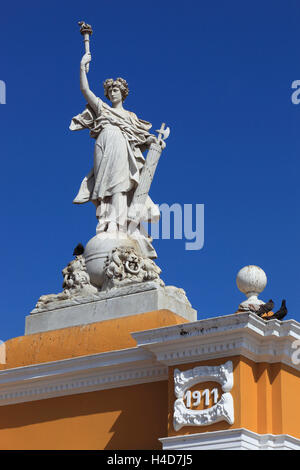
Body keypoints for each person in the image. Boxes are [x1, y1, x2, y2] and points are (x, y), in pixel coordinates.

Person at [70, 52, 161, 246]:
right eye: (110, 90)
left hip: (121, 147)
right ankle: (105, 221)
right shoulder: (102, 109)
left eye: (116, 90)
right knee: (103, 184)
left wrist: (155, 141)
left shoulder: (130, 116)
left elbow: (144, 137)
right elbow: (85, 90)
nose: (113, 92)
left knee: (120, 184)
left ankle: (118, 225)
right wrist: (82, 67)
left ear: (123, 93)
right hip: (103, 145)